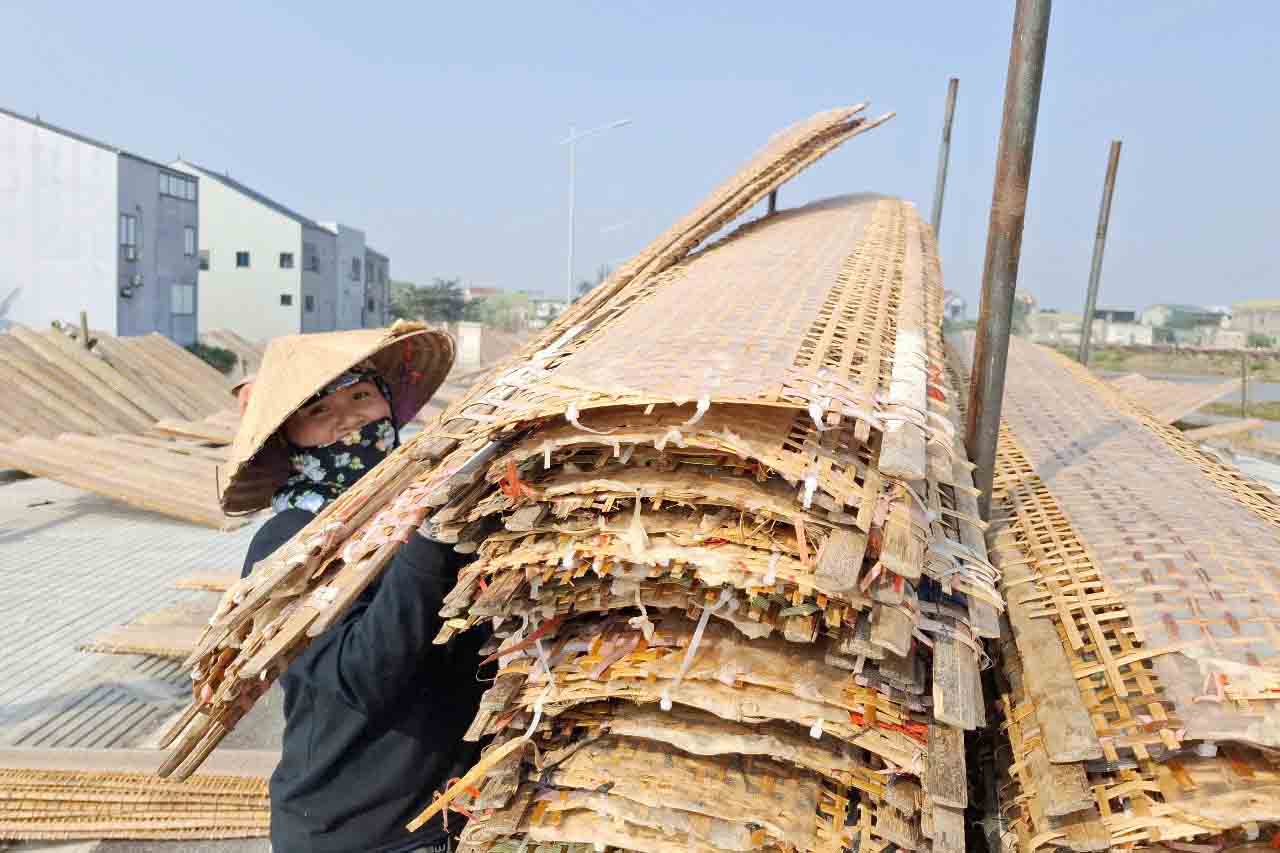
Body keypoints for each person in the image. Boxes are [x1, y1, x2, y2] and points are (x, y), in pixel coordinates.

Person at [206, 324, 486, 853]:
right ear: (288, 439)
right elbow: (363, 674)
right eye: (319, 411)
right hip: (353, 832)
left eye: (361, 397)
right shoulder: (288, 546)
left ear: (387, 403)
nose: (349, 419)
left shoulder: (431, 507)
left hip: (449, 817)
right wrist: (427, 541)